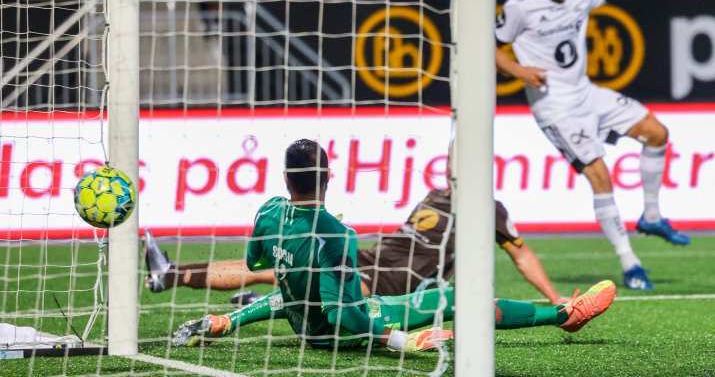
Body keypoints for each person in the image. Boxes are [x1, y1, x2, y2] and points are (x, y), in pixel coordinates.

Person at [170, 139, 616, 350]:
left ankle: (182, 285)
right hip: (349, 318)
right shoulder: (337, 234)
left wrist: (226, 321)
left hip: (338, 301)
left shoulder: (268, 211)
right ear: (329, 177)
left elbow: (267, 271)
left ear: (284, 179)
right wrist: (402, 340)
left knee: (294, 280)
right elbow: (344, 315)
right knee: (461, 298)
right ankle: (563, 315)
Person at [494, 0, 703, 291]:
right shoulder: (520, 5)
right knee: (601, 174)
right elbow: (488, 46)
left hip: (586, 93)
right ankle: (630, 261)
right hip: (555, 108)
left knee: (657, 133)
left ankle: (651, 216)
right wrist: (518, 71)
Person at [145, 157, 570, 305]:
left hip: (395, 282)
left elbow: (522, 254)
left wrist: (555, 297)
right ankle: (173, 274)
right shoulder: (435, 194)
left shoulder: (486, 206)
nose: (452, 168)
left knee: (279, 271)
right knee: (281, 264)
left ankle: (177, 277)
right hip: (371, 259)